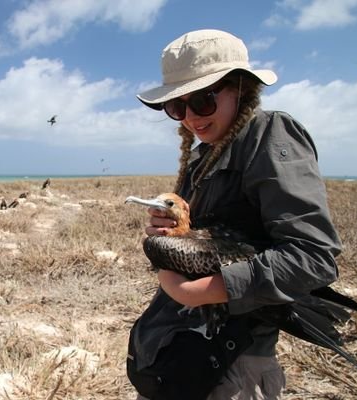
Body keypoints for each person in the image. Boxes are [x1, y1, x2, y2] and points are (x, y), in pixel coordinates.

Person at [132, 29, 342, 399]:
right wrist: (172, 232)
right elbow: (208, 239)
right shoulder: (204, 156)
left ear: (240, 88)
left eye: (201, 101)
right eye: (177, 107)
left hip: (232, 367)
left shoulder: (269, 135)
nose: (190, 118)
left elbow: (314, 256)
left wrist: (206, 291)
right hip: (183, 350)